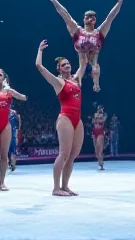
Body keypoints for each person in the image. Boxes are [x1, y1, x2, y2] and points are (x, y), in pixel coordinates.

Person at [44, 0, 126, 92]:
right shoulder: (77, 30)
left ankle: (96, 84)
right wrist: (54, 0)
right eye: (87, 17)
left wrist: (119, 2)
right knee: (82, 64)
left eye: (92, 17)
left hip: (94, 60)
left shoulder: (99, 32)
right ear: (84, 19)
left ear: (95, 20)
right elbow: (65, 15)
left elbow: (111, 17)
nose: (89, 19)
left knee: (95, 66)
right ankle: (75, 84)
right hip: (81, 60)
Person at [35, 40, 87, 196]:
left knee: (73, 155)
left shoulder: (76, 80)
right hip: (65, 118)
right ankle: (56, 188)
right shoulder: (59, 82)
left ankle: (65, 186)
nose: (67, 66)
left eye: (68, 64)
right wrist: (40, 50)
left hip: (78, 119)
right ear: (59, 69)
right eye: (64, 65)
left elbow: (83, 62)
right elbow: (39, 67)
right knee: (64, 153)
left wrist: (80, 46)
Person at [92, 105, 107, 170]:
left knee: (100, 149)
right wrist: (96, 117)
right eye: (98, 108)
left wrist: (99, 116)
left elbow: (102, 121)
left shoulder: (105, 114)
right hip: (94, 131)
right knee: (96, 150)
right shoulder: (95, 114)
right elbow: (93, 122)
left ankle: (101, 164)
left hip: (100, 131)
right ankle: (99, 162)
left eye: (100, 108)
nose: (99, 110)